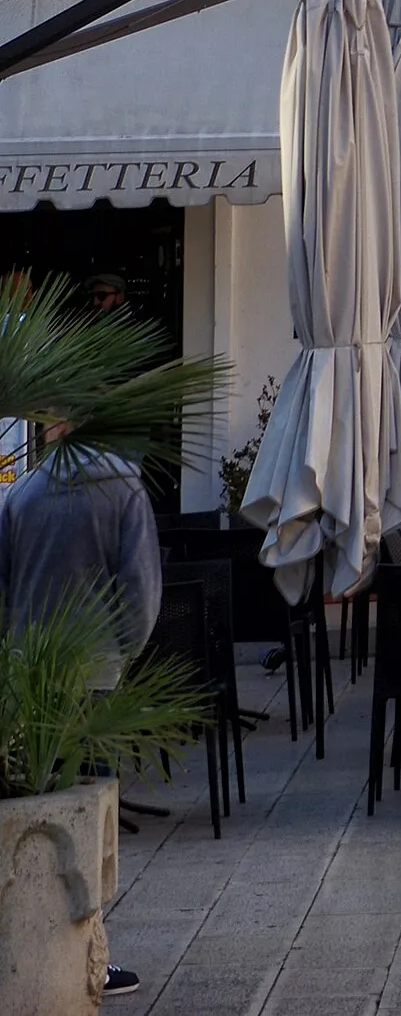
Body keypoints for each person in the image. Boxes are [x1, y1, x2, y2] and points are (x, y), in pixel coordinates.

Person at [0, 420, 163, 1000]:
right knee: (89, 817)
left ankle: (34, 944)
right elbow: (141, 594)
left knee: (37, 813)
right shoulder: (122, 486)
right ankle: (90, 954)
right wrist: (120, 655)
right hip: (94, 676)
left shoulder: (21, 493)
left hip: (25, 680)